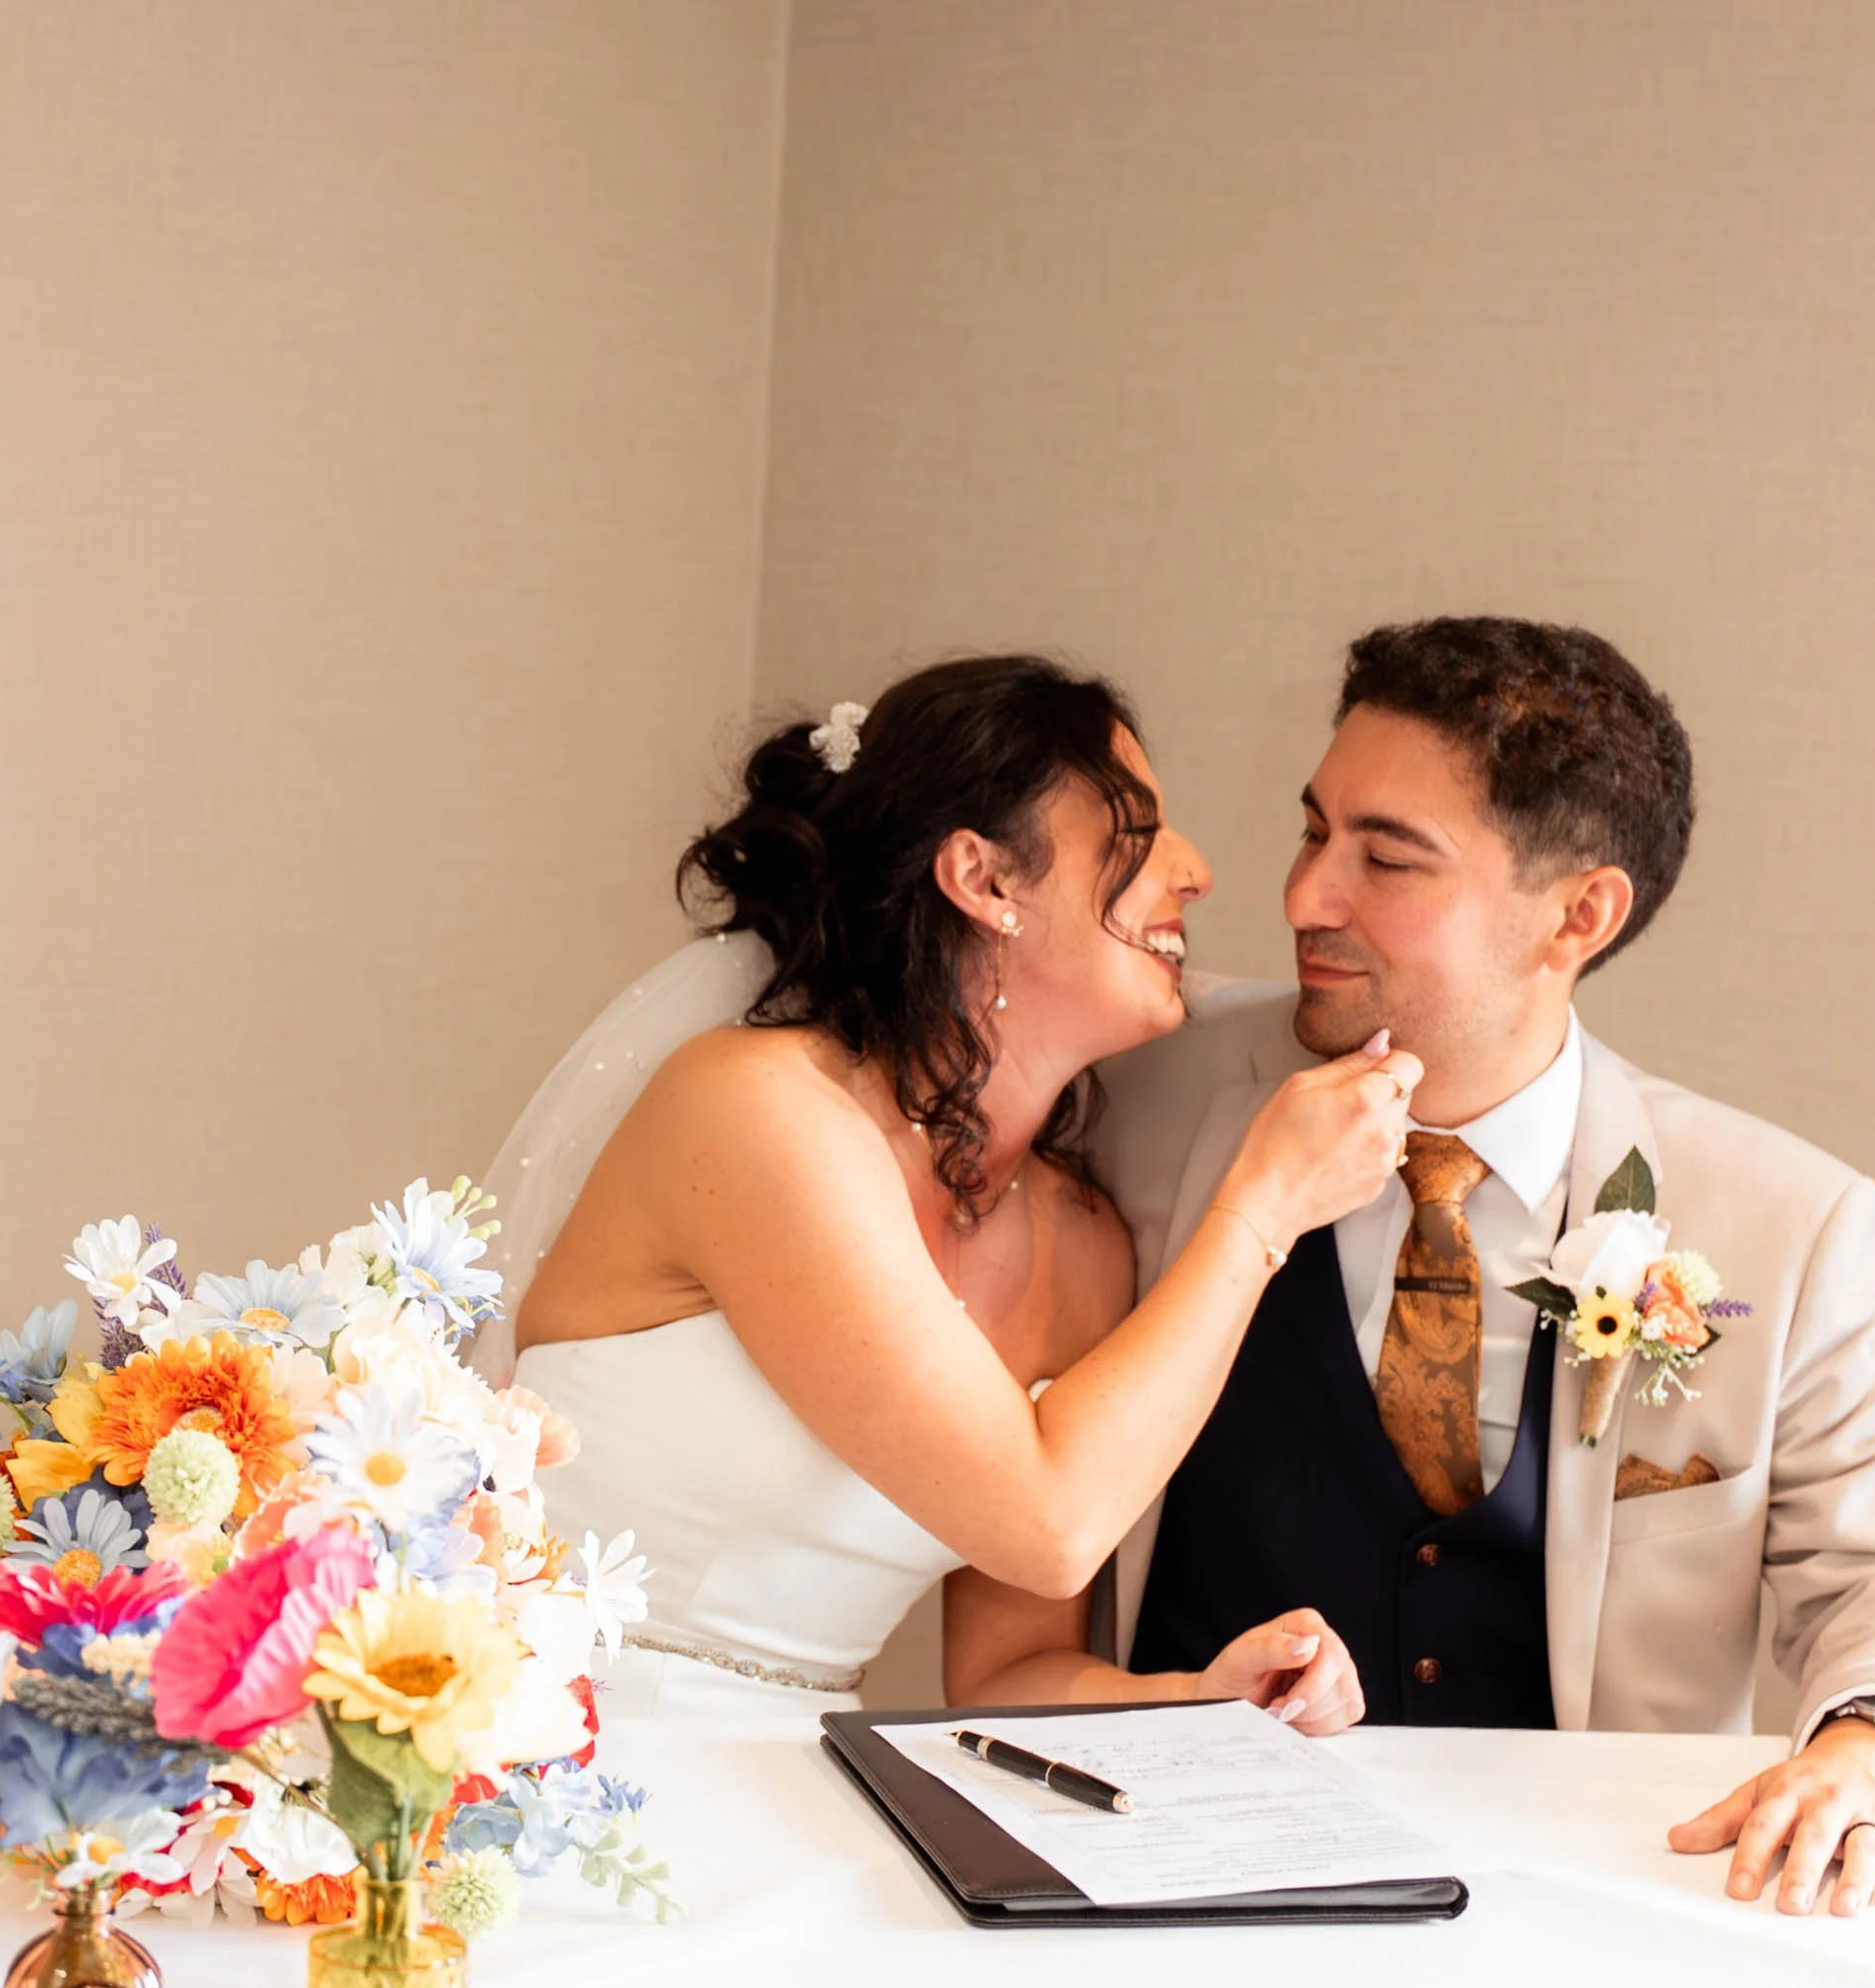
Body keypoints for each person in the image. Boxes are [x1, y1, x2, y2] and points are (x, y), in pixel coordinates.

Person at [1090, 615, 1875, 1919]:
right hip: (1156, 1880)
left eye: (1386, 858)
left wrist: (1873, 1740)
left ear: (1580, 913)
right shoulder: (1137, 1088)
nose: (1304, 896)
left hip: (1579, 1912)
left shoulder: (1785, 1224)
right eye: (1314, 831)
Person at [484, 654, 1420, 1729]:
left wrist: (1207, 1702)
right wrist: (1263, 1207)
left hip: (794, 1786)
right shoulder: (757, 1114)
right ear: (982, 880)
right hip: (528, 1750)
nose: (1196, 871)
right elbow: (1050, 1522)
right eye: (1134, 831)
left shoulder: (1081, 1245)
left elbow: (1006, 1671)